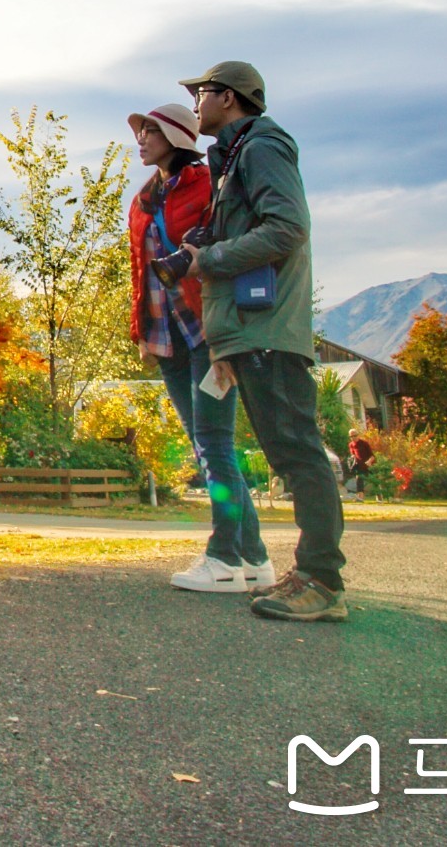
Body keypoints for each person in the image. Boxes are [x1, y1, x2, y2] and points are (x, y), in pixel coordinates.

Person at [176, 61, 348, 621]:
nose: (195, 104)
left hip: (270, 328)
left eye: (200, 94)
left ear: (227, 97)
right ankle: (311, 575)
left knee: (299, 453)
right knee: (289, 455)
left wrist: (212, 259)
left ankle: (322, 583)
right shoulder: (236, 156)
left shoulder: (262, 147)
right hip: (253, 331)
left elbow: (287, 227)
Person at [127, 102, 272, 594]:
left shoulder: (207, 185)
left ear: (176, 136)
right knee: (206, 447)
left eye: (151, 130)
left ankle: (224, 557)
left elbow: (229, 249)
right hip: (167, 337)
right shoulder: (143, 199)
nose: (142, 138)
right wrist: (140, 332)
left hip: (209, 332)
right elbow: (140, 271)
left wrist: (231, 334)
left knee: (214, 445)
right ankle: (254, 560)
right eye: (141, 130)